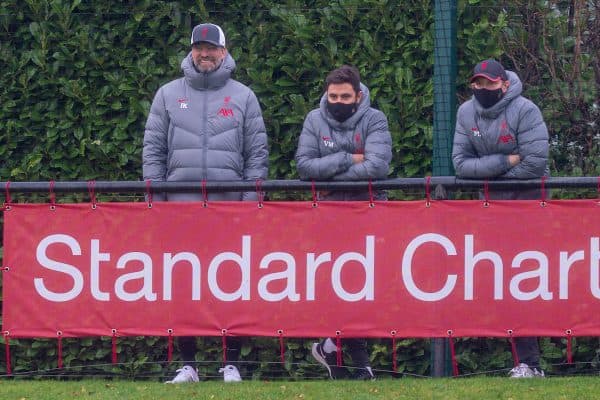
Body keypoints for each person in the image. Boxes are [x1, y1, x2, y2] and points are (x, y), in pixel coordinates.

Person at [143, 22, 268, 382]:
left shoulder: (244, 96)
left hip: (229, 210)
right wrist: (158, 201)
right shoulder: (167, 94)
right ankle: (188, 364)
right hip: (180, 209)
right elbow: (153, 151)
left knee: (231, 283)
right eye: (199, 47)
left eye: (211, 48)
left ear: (224, 52)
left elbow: (256, 155)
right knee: (184, 286)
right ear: (191, 51)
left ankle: (231, 363)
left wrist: (249, 204)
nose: (205, 53)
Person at [452, 59, 549, 378]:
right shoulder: (466, 113)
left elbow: (535, 164)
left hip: (531, 208)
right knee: (504, 284)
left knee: (532, 283)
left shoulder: (526, 110)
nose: (482, 89)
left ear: (504, 84)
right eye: (477, 84)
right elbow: (460, 165)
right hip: (491, 210)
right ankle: (526, 361)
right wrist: (505, 161)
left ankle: (533, 363)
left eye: (489, 84)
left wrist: (489, 174)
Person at [295, 65, 392, 380]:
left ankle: (330, 348)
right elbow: (305, 166)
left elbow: (377, 166)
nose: (338, 101)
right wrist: (349, 158)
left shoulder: (374, 118)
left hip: (369, 212)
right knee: (338, 287)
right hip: (329, 215)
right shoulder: (314, 119)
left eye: (345, 96)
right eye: (333, 95)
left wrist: (330, 174)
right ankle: (357, 364)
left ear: (358, 95)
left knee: (364, 288)